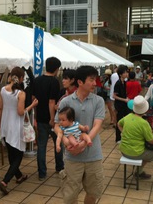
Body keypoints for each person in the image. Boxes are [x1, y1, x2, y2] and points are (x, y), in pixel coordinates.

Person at [54, 65, 105, 204]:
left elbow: (97, 125)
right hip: (72, 156)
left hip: (93, 155)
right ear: (80, 82)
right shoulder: (66, 101)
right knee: (70, 195)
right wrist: (65, 141)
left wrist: (82, 144)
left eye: (95, 80)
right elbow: (57, 125)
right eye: (92, 80)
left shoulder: (98, 101)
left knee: (93, 193)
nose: (95, 83)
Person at [0, 66, 38, 195]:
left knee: (11, 153)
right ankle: (5, 181)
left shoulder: (3, 90)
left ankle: (19, 176)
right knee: (19, 155)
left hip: (5, 125)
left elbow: (0, 108)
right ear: (20, 79)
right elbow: (21, 112)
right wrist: (32, 105)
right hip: (16, 126)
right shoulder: (21, 94)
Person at [118, 95, 153, 191]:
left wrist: (123, 132)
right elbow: (150, 140)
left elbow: (119, 124)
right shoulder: (143, 123)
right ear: (145, 109)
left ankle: (139, 173)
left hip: (124, 150)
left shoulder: (128, 117)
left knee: (148, 152)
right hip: (136, 153)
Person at [32, 57, 64, 180]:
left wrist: (36, 115)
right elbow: (52, 102)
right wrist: (52, 118)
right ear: (56, 69)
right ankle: (59, 167)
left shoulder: (37, 80)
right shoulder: (54, 82)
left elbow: (34, 99)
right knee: (58, 143)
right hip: (52, 119)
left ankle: (42, 172)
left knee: (41, 146)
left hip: (40, 117)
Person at [113, 65, 129, 143]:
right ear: (120, 74)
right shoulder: (118, 83)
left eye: (127, 72)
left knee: (126, 121)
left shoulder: (125, 83)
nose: (126, 74)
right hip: (119, 105)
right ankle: (118, 138)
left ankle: (125, 136)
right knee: (119, 121)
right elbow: (114, 96)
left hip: (125, 105)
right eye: (125, 73)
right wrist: (124, 99)